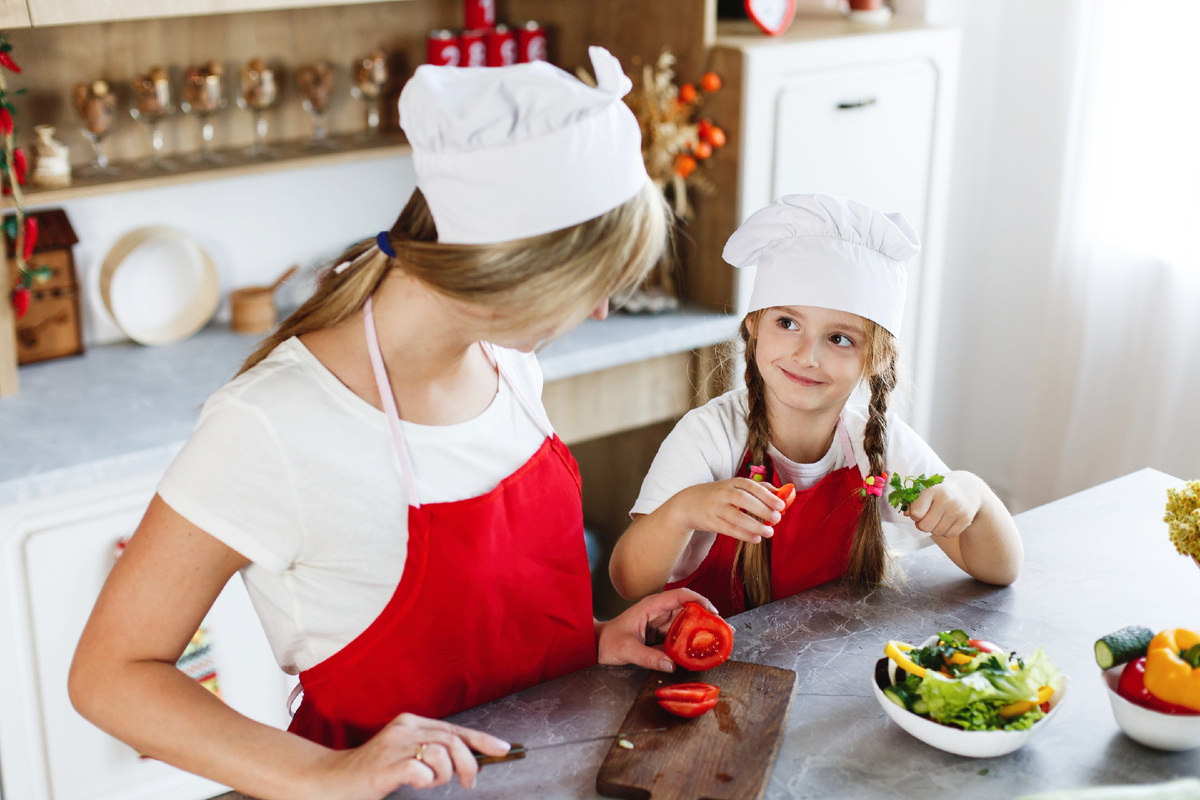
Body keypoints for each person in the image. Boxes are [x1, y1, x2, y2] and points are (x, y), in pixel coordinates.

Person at [69, 48, 717, 800]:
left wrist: (593, 644)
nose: (601, 312)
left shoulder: (510, 367)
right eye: (593, 286)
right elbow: (109, 675)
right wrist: (326, 773)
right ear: (511, 273)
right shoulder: (274, 423)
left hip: (555, 771)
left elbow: (491, 631)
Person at [608, 194, 1024, 617]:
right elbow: (628, 580)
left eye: (839, 338)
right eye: (787, 323)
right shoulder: (708, 437)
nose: (808, 355)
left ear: (877, 358)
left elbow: (999, 569)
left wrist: (972, 493)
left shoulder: (876, 444)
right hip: (714, 666)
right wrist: (683, 510)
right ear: (753, 325)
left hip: (831, 664)